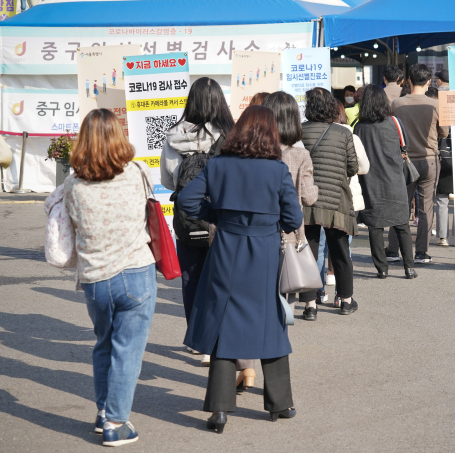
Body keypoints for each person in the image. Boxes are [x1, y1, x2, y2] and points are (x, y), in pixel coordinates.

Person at [178, 106, 302, 432]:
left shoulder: (218, 164)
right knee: (270, 323)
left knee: (224, 323)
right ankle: (279, 404)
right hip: (263, 253)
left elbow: (187, 201)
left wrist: (218, 215)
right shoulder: (276, 171)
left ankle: (219, 410)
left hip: (226, 251)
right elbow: (294, 219)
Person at [64, 109, 157, 446]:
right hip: (135, 270)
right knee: (127, 350)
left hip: (95, 277)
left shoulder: (72, 183)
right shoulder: (136, 172)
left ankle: (104, 413)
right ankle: (116, 423)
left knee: (105, 343)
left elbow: (71, 223)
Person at [160, 77, 236, 369]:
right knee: (220, 277)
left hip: (188, 218)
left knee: (191, 277)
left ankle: (196, 338)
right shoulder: (230, 134)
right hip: (222, 217)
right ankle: (217, 338)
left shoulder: (174, 136)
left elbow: (169, 181)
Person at [299, 87, 359, 316]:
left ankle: (310, 305)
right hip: (336, 201)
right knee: (340, 251)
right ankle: (345, 300)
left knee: (308, 252)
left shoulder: (299, 131)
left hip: (307, 200)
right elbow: (352, 167)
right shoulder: (343, 133)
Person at [262, 91, 320, 320]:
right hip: (290, 233)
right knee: (286, 291)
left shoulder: (256, 153)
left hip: (260, 230)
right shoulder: (301, 155)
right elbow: (308, 197)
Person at [387, 63, 448, 264]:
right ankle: (421, 252)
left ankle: (394, 250)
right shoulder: (436, 105)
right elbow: (444, 133)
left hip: (404, 161)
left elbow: (391, 130)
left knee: (401, 205)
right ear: (428, 81)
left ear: (409, 80)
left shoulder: (397, 104)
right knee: (426, 207)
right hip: (429, 160)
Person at [354, 84, 417, 279]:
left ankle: (381, 269)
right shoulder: (395, 122)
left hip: (370, 182)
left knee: (375, 226)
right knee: (401, 225)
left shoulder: (359, 127)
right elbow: (404, 146)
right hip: (395, 179)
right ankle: (409, 267)